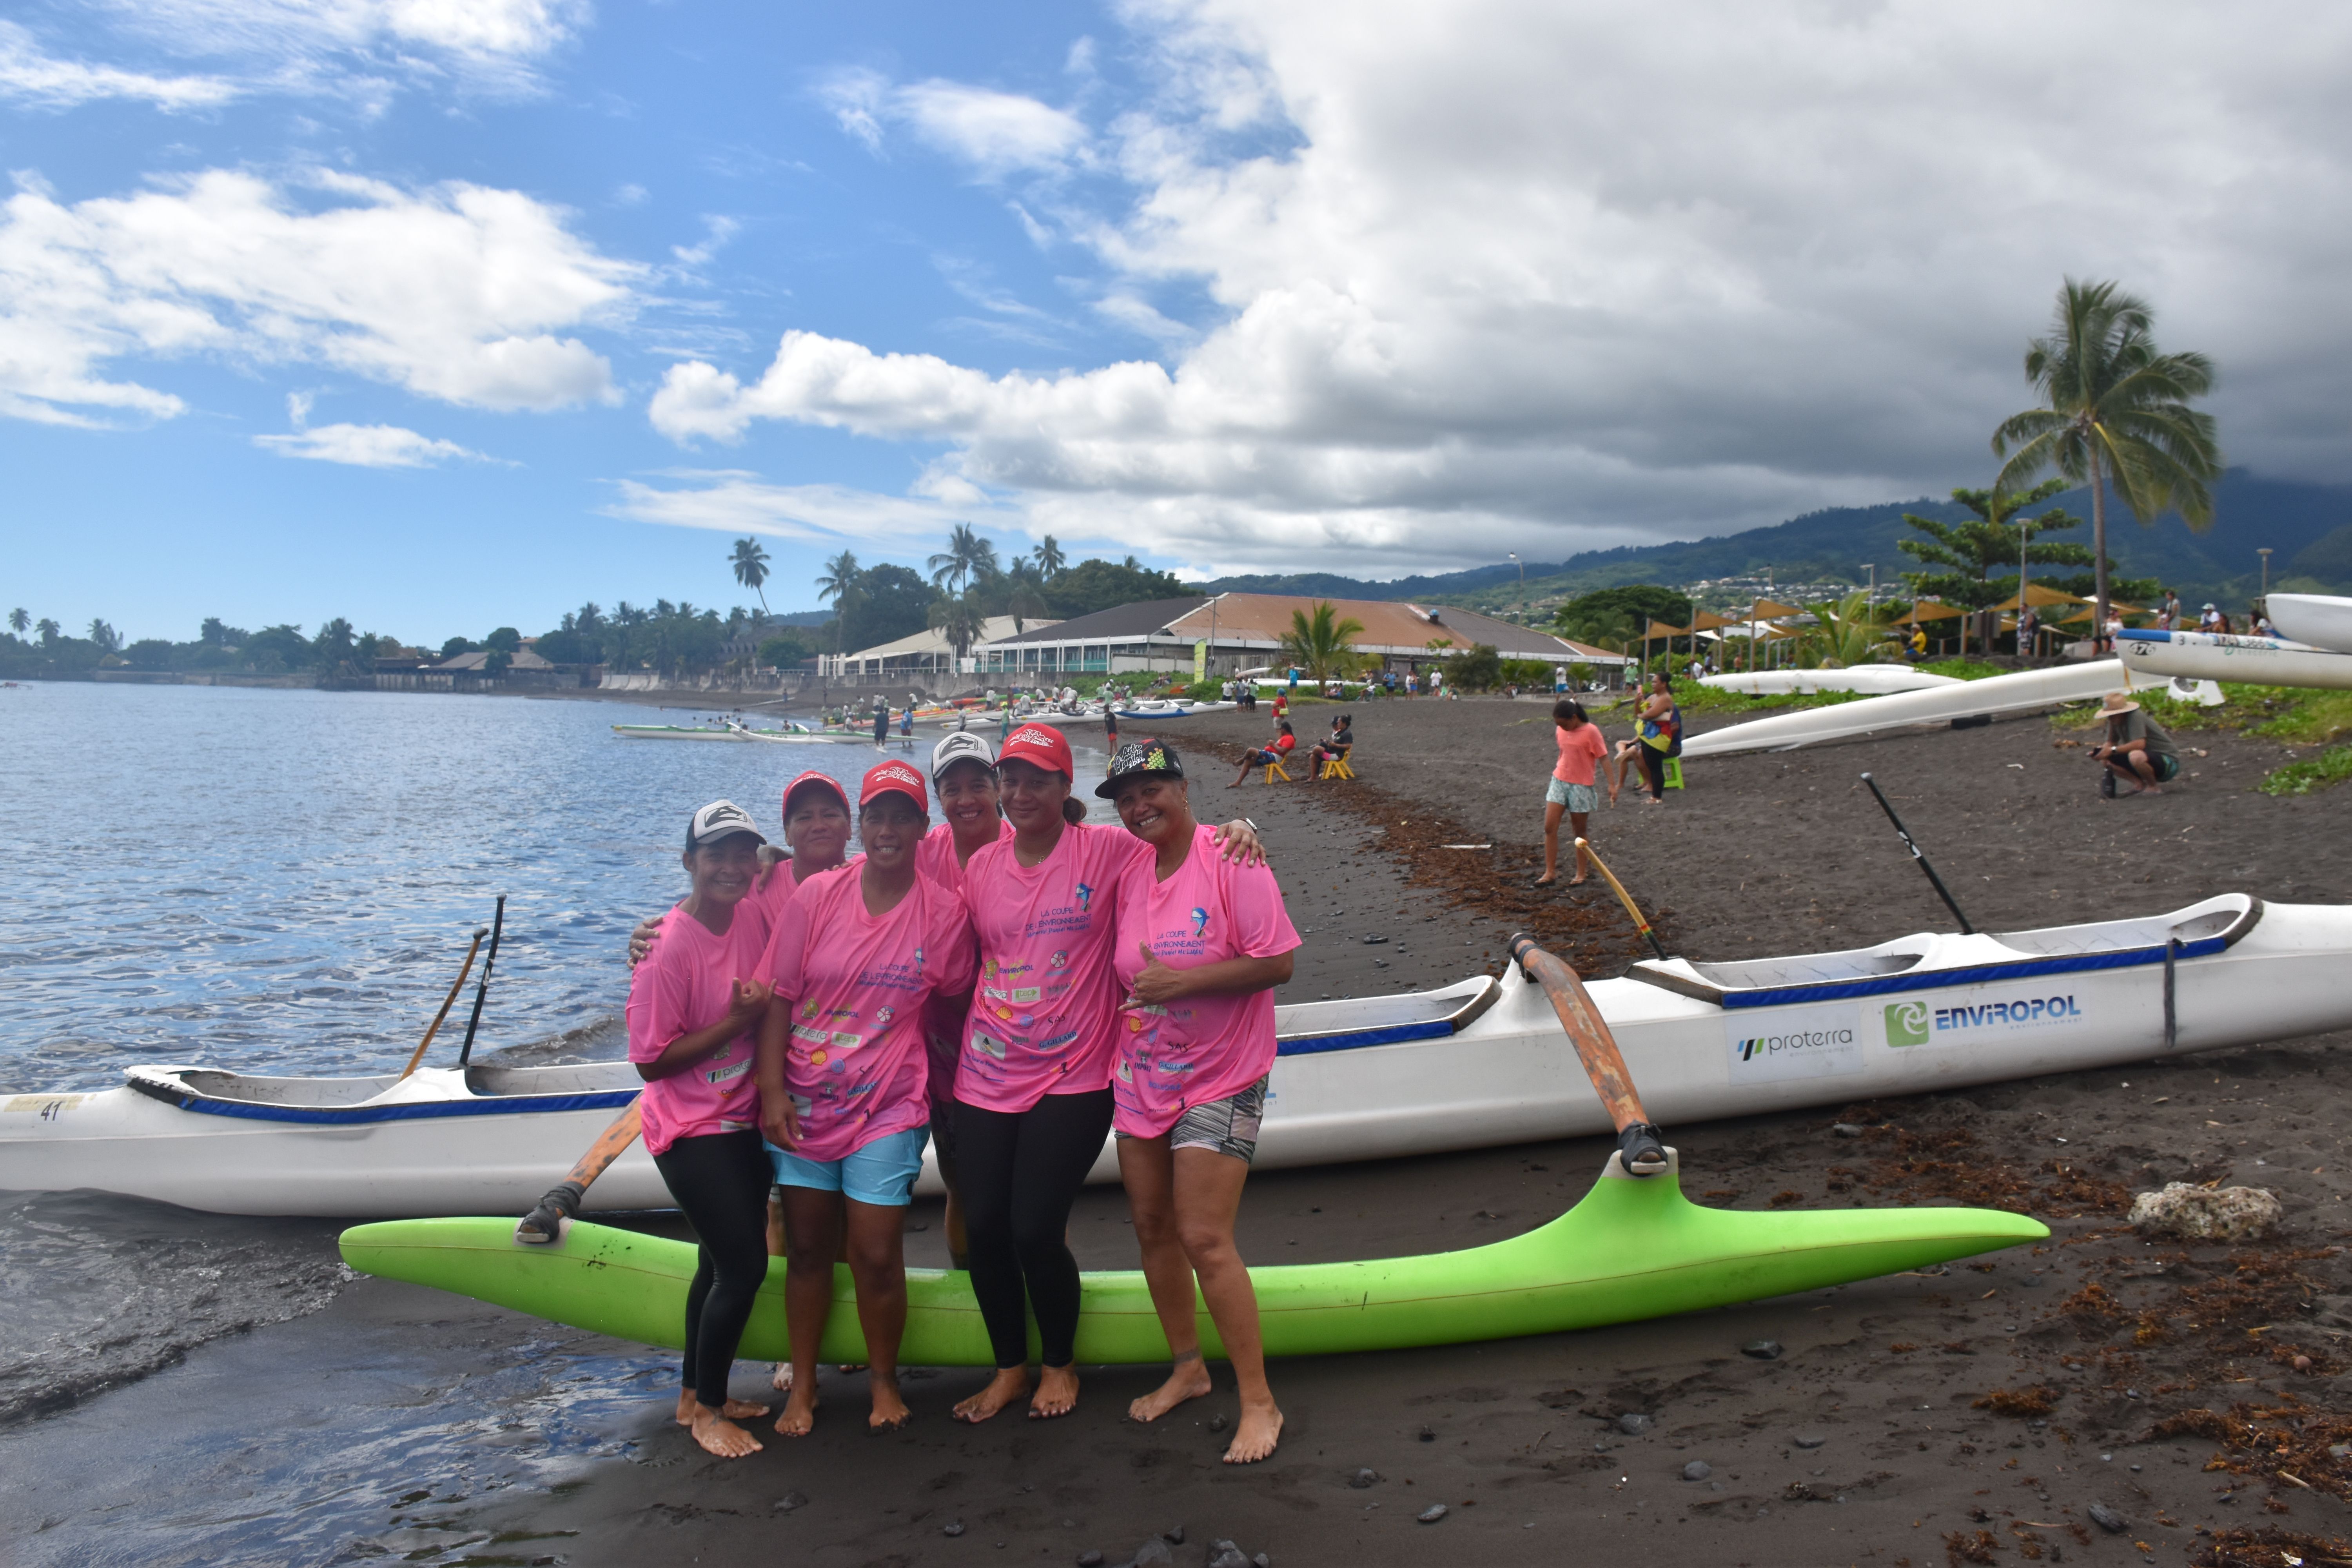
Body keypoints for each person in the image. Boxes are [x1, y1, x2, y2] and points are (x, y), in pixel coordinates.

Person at [948, 724, 1263, 1425]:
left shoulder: (1110, 851)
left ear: (1066, 791)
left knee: (1036, 1229)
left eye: (1038, 779)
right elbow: (929, 931)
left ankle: (1057, 1365)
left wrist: (1240, 824)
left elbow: (1180, 838)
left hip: (1076, 1072)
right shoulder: (980, 868)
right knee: (986, 1229)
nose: (1020, 792)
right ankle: (1008, 1370)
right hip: (985, 1071)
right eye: (1011, 779)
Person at [756, 761, 976, 1436]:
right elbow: (780, 997)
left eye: (900, 817)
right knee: (810, 1248)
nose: (887, 830)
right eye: (875, 816)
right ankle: (805, 1385)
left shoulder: (943, 912)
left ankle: (884, 1380)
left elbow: (962, 998)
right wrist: (770, 1091)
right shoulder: (816, 896)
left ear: (920, 826)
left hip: (890, 1104)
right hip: (805, 1101)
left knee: (879, 1251)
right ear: (861, 824)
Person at [1098, 740, 1298, 1465]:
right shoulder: (1130, 867)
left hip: (1223, 1074)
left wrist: (1182, 985)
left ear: (1182, 788)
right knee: (1152, 1227)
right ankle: (1188, 1367)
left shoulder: (1233, 857)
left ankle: (1259, 1401)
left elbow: (1277, 962)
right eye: (1124, 798)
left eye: (1150, 789)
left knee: (1205, 1238)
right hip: (1142, 1075)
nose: (1137, 806)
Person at [627, 800, 778, 1458]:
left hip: (741, 1116)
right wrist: (737, 1025)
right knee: (744, 1265)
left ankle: (693, 1393)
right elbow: (650, 1061)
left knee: (716, 1259)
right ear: (689, 862)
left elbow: (808, 872)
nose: (731, 867)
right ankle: (710, 1413)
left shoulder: (754, 910)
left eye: (742, 854)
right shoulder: (665, 950)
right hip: (689, 1126)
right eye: (715, 854)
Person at [915, 732, 1016, 1269]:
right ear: (937, 797)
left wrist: (1233, 830)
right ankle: (967, 1287)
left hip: (1021, 1060)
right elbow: (844, 885)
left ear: (998, 787)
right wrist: (775, 861)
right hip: (945, 1058)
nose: (966, 798)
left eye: (978, 783)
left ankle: (1043, 1295)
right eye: (952, 788)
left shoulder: (1029, 846)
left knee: (1031, 1199)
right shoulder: (919, 854)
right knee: (962, 1188)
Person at [1537, 699, 1607, 886]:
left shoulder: (1591, 731)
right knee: (1549, 827)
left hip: (1581, 786)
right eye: (1558, 725)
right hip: (1559, 780)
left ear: (1574, 718)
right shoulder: (1561, 730)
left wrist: (1612, 786)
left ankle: (1581, 873)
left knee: (1579, 833)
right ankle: (1550, 872)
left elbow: (1604, 758)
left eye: (1564, 724)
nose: (1562, 728)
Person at [1608, 673, 1680, 806]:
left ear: (1664, 684)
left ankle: (1657, 797)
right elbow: (1638, 714)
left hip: (1659, 737)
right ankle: (1654, 796)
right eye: (1652, 682)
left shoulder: (1665, 699)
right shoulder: (1653, 697)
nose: (1653, 684)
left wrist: (1642, 714)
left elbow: (1650, 715)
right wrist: (1638, 702)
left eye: (1655, 682)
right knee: (1651, 764)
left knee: (1656, 766)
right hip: (1648, 736)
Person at [2091, 691, 2180, 796]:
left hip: (2167, 762)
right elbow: (2111, 742)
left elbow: (2139, 744)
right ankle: (2139, 785)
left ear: (2121, 712)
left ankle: (2153, 787)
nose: (2109, 718)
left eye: (2112, 715)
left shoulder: (2135, 716)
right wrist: (2101, 752)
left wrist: (2112, 750)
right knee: (2107, 760)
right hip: (2147, 758)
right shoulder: (2115, 721)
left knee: (2136, 756)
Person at [1229, 720, 1297, 786]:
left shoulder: (1289, 738)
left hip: (1274, 758)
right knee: (1248, 762)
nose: (1280, 731)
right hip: (1270, 755)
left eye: (1281, 729)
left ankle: (1242, 759)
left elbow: (1282, 751)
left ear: (1284, 729)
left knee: (1251, 750)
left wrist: (1273, 745)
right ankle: (1238, 782)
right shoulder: (1285, 738)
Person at [1303, 714, 1352, 782]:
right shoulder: (1340, 733)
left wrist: (1335, 745)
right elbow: (1335, 744)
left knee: (1316, 749)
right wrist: (1329, 743)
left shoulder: (1347, 733)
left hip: (1337, 756)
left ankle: (1313, 752)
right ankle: (1313, 777)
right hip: (1333, 752)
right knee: (1313, 757)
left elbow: (1348, 746)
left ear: (1344, 723)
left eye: (1339, 722)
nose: (1337, 724)